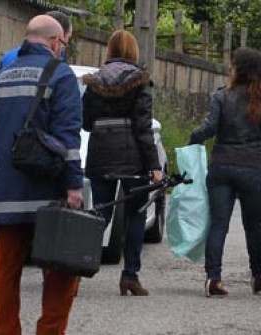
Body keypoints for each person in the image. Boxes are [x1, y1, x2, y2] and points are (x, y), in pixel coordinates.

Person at [0, 15, 83, 334]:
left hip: (7, 196)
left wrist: (10, 153)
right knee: (62, 273)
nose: (62, 49)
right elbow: (68, 138)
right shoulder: (61, 75)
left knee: (6, 273)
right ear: (53, 42)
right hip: (50, 195)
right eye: (62, 44)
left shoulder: (1, 75)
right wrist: (73, 185)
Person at [189, 47, 261, 297]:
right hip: (251, 169)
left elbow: (209, 128)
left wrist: (192, 141)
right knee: (252, 226)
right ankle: (259, 276)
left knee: (218, 224)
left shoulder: (222, 97)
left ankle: (213, 278)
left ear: (238, 70)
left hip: (222, 166)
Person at [82, 30, 163, 296]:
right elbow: (143, 128)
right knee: (136, 215)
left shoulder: (94, 81)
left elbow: (85, 122)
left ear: (110, 50)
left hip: (101, 153)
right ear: (133, 51)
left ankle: (75, 270)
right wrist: (154, 166)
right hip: (133, 158)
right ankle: (130, 276)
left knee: (100, 214)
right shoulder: (140, 81)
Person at [0, 11, 73, 68]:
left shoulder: (8, 57)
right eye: (68, 38)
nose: (66, 44)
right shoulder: (57, 67)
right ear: (58, 36)